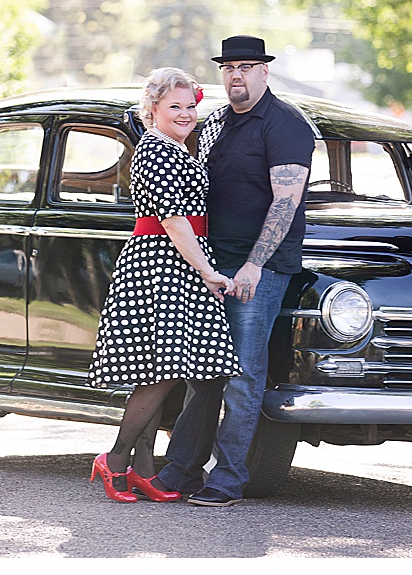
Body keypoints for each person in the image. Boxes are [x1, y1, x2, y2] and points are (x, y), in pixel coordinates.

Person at [153, 35, 316, 506]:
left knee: (244, 373)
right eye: (229, 67)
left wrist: (254, 265)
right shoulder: (217, 121)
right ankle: (181, 471)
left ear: (265, 71)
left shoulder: (286, 125)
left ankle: (227, 478)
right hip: (211, 264)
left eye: (247, 66)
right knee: (202, 371)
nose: (237, 75)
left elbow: (287, 201)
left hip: (258, 269)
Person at [86, 67, 239, 503]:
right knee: (161, 372)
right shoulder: (157, 149)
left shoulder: (178, 147)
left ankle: (145, 469)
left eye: (191, 106)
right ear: (153, 108)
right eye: (175, 106)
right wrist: (208, 271)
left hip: (176, 264)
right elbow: (174, 221)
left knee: (161, 370)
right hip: (162, 264)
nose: (186, 114)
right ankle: (115, 461)